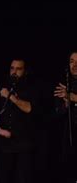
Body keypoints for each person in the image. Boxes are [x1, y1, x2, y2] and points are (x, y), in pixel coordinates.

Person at [0, 58, 40, 183]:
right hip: (4, 146)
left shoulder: (32, 89)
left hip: (24, 145)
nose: (14, 72)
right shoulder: (2, 87)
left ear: (25, 71)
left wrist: (12, 98)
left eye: (18, 69)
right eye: (12, 68)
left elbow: (29, 108)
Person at [53, 51, 77, 183]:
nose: (75, 65)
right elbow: (57, 113)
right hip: (68, 137)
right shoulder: (65, 84)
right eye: (72, 61)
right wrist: (66, 105)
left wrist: (71, 97)